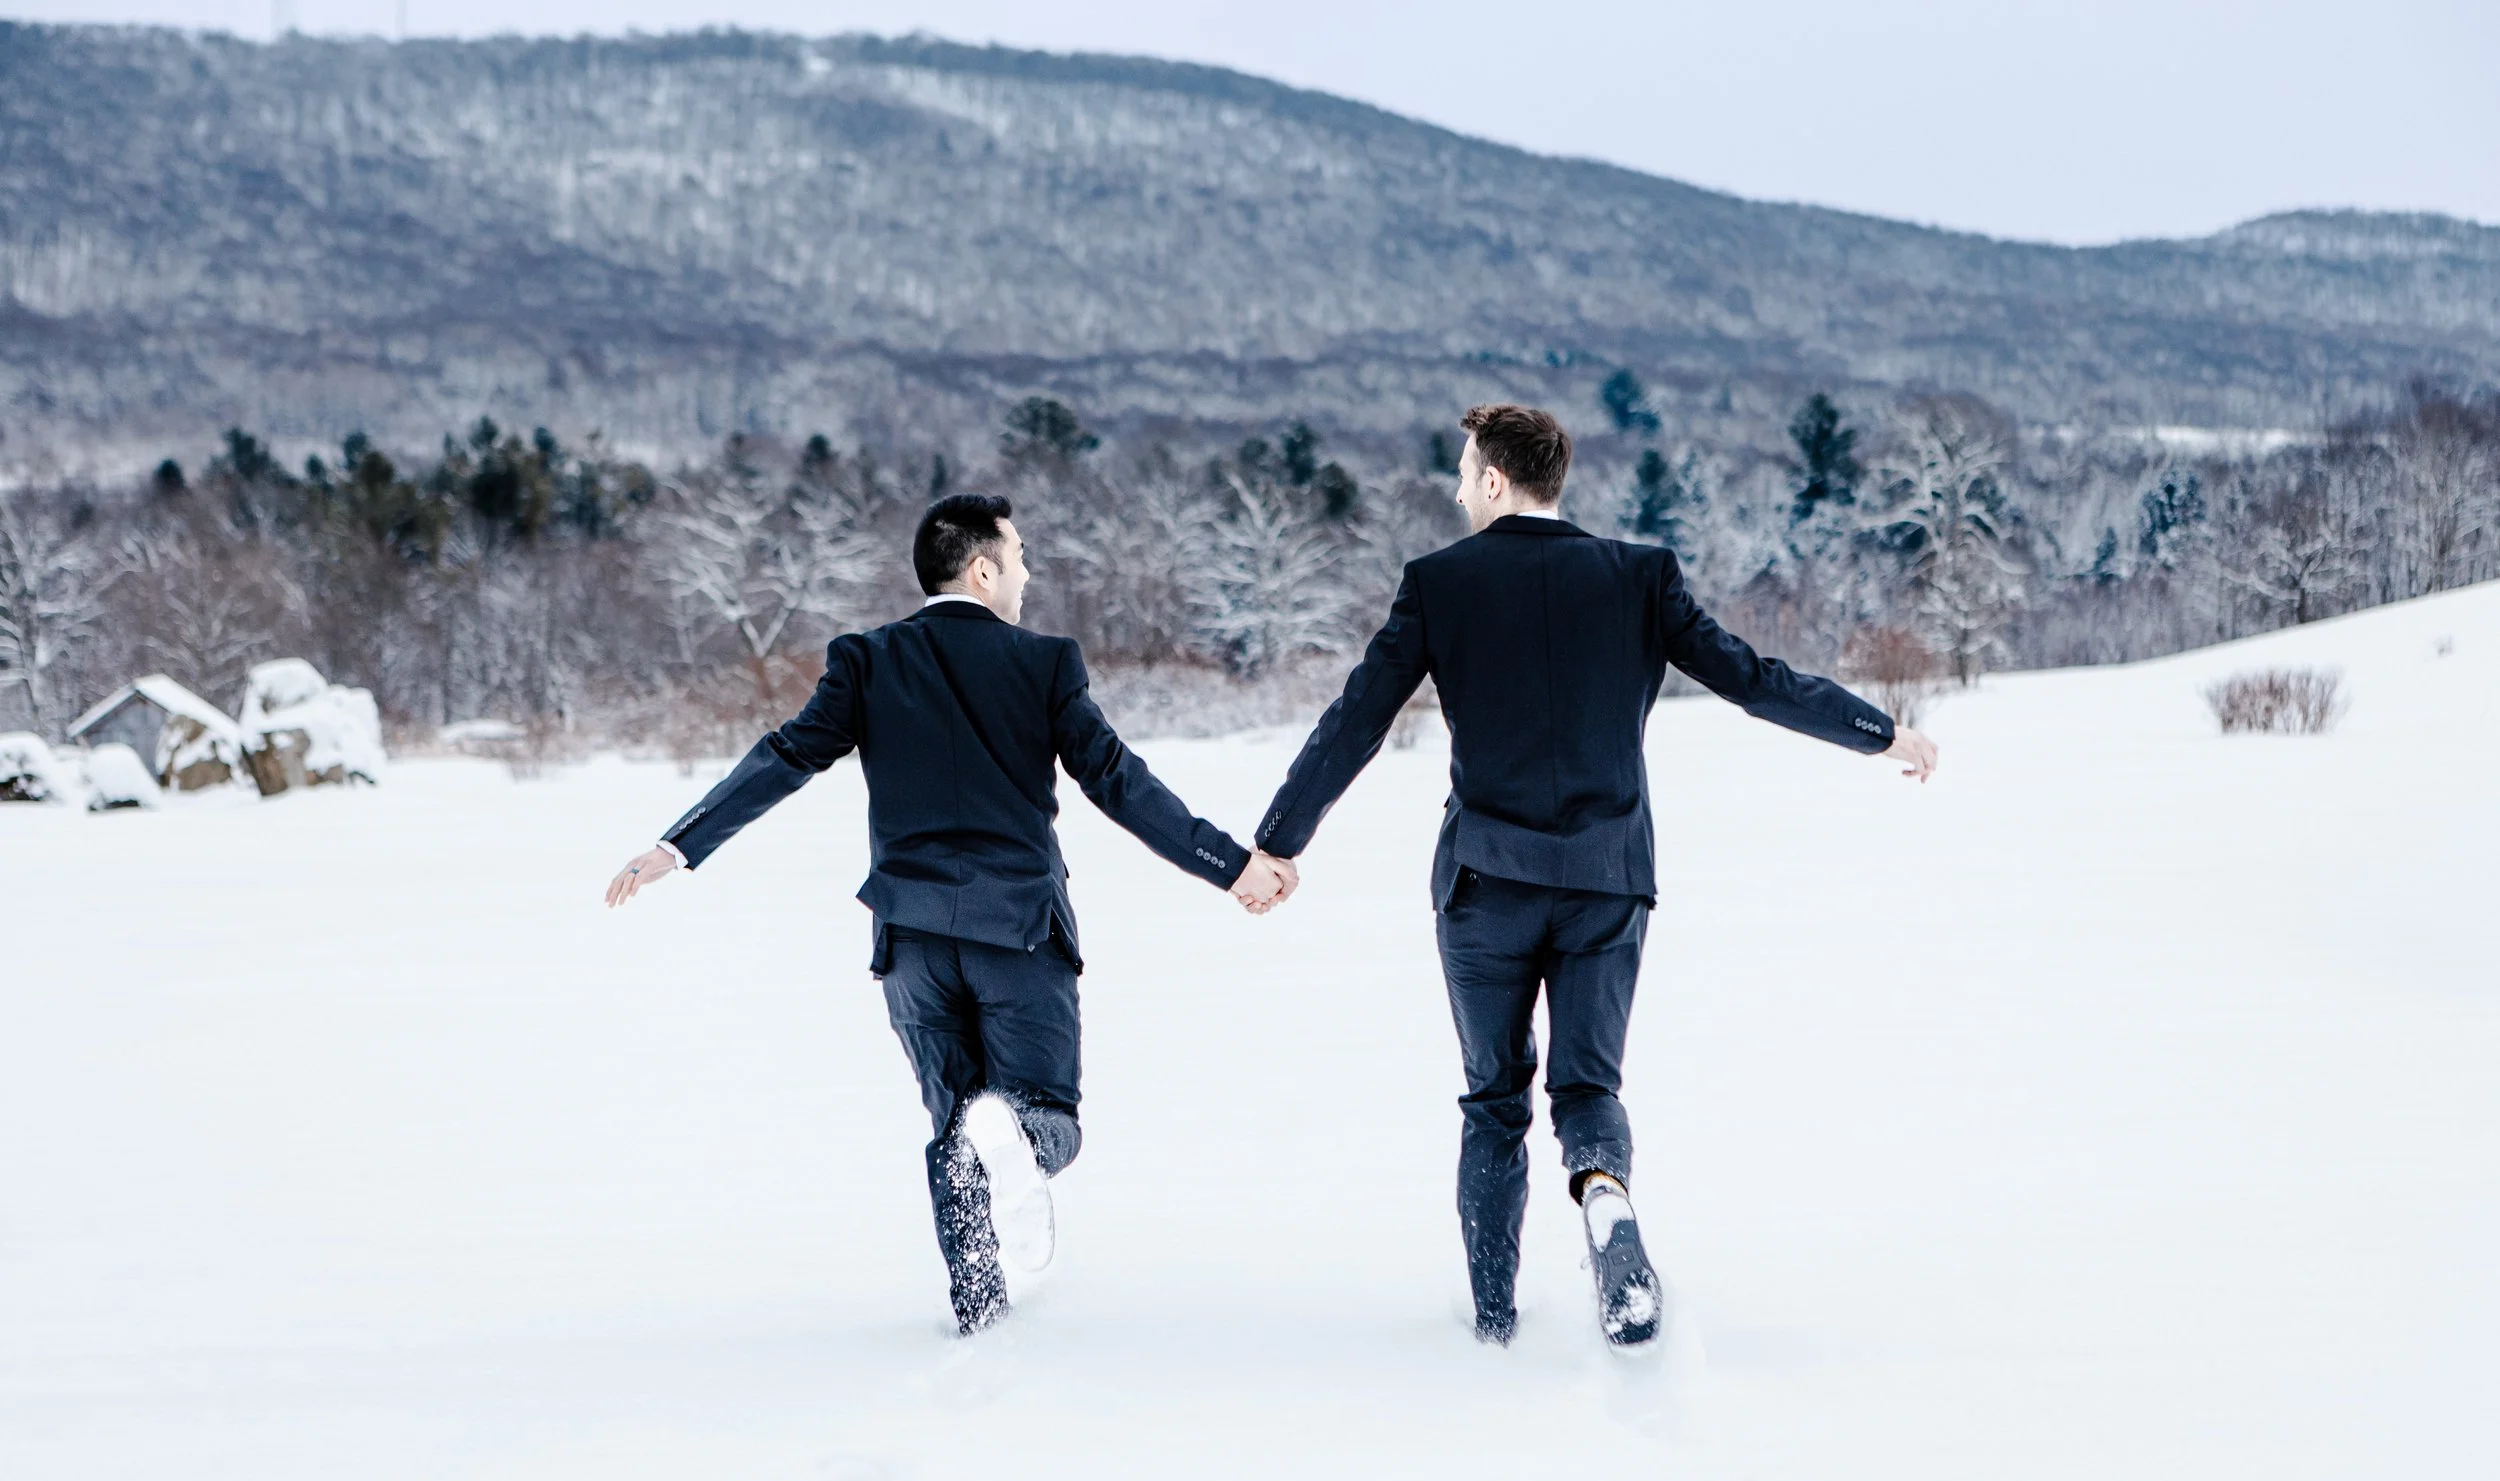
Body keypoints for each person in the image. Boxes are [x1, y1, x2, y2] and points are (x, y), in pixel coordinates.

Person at [1248, 405, 1938, 1349]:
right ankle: (1603, 1189)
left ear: (1494, 479)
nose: (1457, 490)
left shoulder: (1438, 583)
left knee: (1494, 1098)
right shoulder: (1639, 575)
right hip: (1609, 882)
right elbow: (1751, 678)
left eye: (1463, 473)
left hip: (1485, 884)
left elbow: (1356, 720)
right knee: (1586, 1089)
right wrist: (1880, 730)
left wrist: (1278, 841)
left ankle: (1493, 1318)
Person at [605, 493, 1293, 1334]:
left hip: (911, 944)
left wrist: (676, 846)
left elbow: (783, 756)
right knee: (1044, 1117)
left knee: (955, 1130)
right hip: (1019, 935)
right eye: (1020, 555)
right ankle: (1020, 1138)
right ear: (982, 568)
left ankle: (979, 1306)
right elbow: (1117, 780)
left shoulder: (866, 660)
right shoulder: (1044, 663)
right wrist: (1230, 867)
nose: (1028, 571)